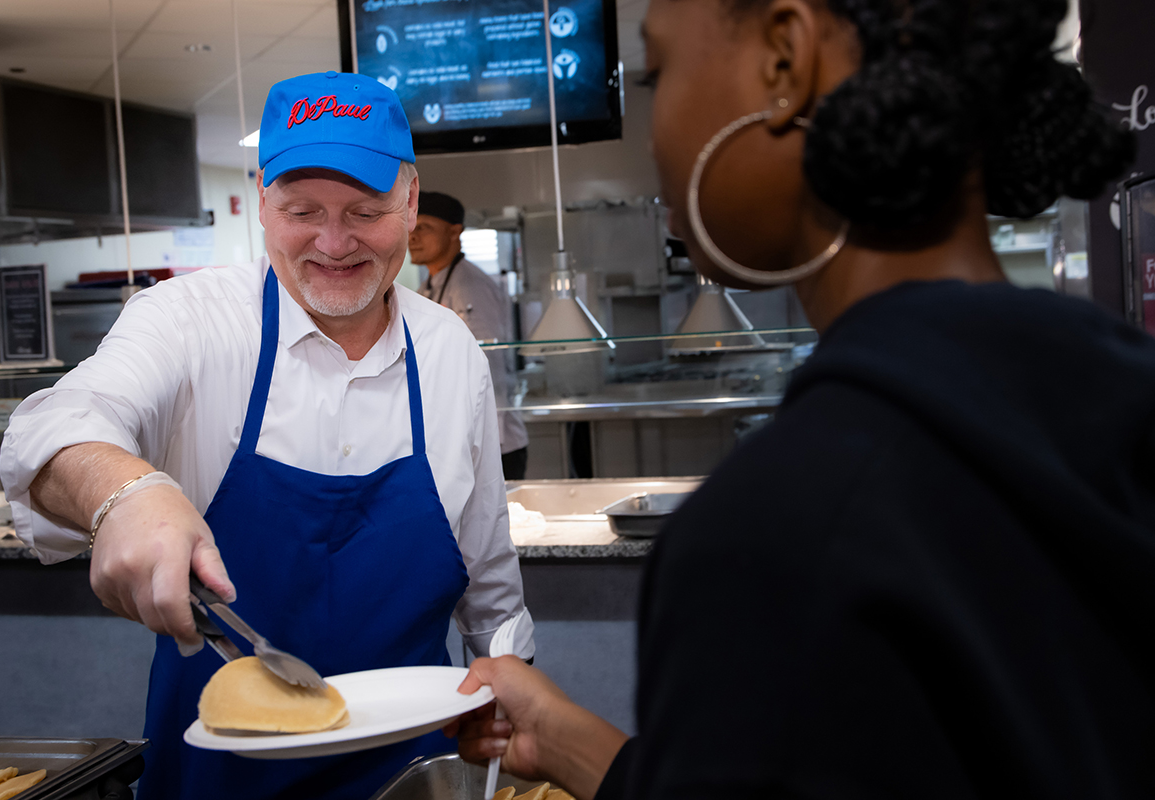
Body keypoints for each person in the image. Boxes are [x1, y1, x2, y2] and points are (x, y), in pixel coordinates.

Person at [446, 0, 1155, 797]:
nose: (654, 136)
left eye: (659, 71)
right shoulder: (1116, 389)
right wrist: (570, 743)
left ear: (785, 63)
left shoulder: (782, 528)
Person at [0, 71, 534, 800]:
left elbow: (491, 592)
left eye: (366, 210)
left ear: (410, 202)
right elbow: (56, 425)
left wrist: (508, 690)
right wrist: (126, 494)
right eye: (301, 209)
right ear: (262, 201)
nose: (333, 241)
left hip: (413, 778)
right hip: (218, 781)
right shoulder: (191, 321)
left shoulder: (449, 353)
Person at [410, 191, 530, 479]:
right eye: (411, 226)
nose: (412, 236)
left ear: (455, 233)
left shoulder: (469, 286)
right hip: (459, 438)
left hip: (493, 442)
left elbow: (485, 362)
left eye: (424, 227)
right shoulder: (430, 283)